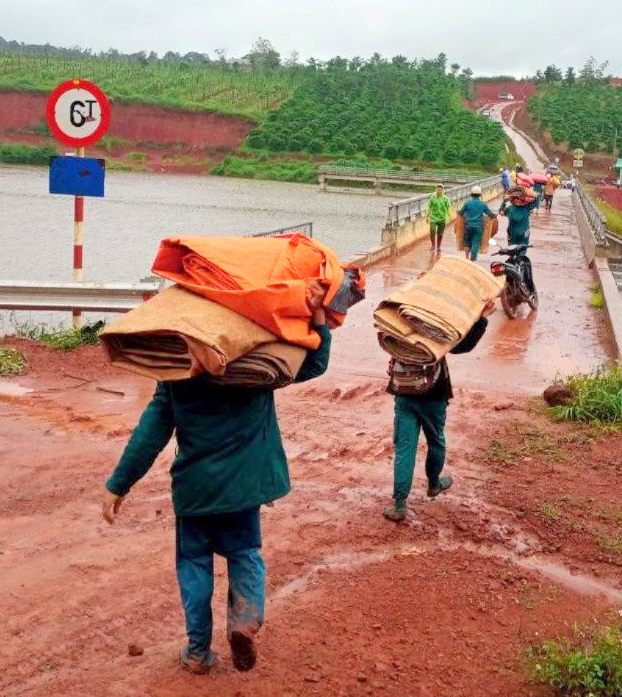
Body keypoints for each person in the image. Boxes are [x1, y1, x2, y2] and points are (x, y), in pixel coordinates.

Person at [101, 288, 332, 675]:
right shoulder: (259, 362)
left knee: (193, 564)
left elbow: (151, 432)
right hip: (243, 490)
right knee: (244, 555)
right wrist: (320, 321)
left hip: (194, 488)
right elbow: (312, 364)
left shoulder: (178, 371)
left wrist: (118, 484)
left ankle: (196, 652)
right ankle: (243, 623)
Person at [384, 299, 496, 522]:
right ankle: (434, 483)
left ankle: (399, 505)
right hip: (434, 395)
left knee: (405, 449)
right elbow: (462, 345)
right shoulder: (436, 326)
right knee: (436, 440)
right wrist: (481, 318)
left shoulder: (399, 320)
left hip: (404, 393)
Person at [458, 185, 496, 261]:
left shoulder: (467, 203)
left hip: (468, 226)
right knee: (475, 243)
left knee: (467, 242)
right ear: (480, 195)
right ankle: (472, 260)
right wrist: (494, 216)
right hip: (478, 227)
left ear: (471, 194)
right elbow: (490, 214)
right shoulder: (483, 204)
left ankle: (466, 258)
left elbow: (461, 213)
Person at [427, 183, 452, 256]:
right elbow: (429, 207)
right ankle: (433, 245)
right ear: (436, 190)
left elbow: (448, 208)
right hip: (433, 217)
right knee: (432, 230)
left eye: (441, 189)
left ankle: (438, 246)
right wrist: (427, 216)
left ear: (443, 190)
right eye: (438, 189)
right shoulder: (432, 197)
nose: (439, 190)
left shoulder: (445, 198)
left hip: (442, 218)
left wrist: (450, 216)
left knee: (440, 233)